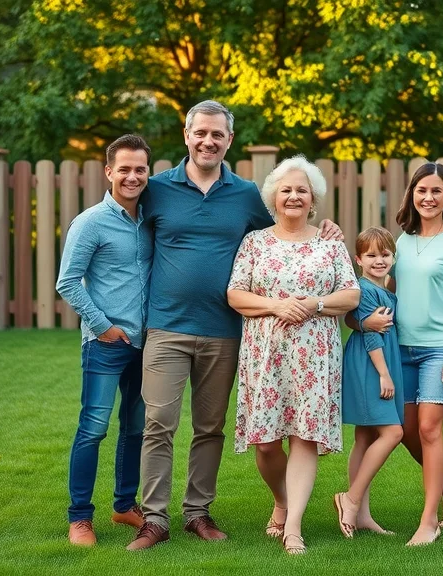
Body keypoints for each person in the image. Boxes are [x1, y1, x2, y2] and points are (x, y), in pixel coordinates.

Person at [126, 101, 343, 551]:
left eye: (217, 135)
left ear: (229, 140)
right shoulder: (157, 189)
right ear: (186, 135)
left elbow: (287, 231)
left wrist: (329, 230)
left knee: (210, 428)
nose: (208, 141)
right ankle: (154, 519)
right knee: (158, 423)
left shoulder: (245, 194)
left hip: (226, 331)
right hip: (166, 326)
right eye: (200, 133)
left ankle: (198, 513)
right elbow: (126, 234)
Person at [226, 155, 360, 555]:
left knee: (304, 436)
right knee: (266, 444)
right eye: (286, 189)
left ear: (313, 197)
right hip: (265, 353)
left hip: (315, 355)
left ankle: (294, 527)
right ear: (273, 197)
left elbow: (350, 295)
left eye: (302, 190)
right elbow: (235, 294)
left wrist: (315, 304)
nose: (294, 196)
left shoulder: (330, 244)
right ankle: (281, 501)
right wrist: (276, 305)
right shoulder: (255, 242)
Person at [358, 162, 443, 547]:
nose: (428, 197)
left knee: (428, 428)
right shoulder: (402, 241)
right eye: (422, 190)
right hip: (399, 347)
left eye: (437, 191)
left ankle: (429, 521)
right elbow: (383, 289)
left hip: (439, 349)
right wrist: (363, 320)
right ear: (411, 195)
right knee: (406, 431)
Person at [56, 134, 153, 547]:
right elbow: (67, 283)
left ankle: (124, 504)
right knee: (93, 428)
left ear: (148, 172)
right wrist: (104, 326)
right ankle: (80, 517)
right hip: (105, 344)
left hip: (147, 343)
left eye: (140, 169)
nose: (132, 177)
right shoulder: (90, 221)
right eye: (125, 169)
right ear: (109, 171)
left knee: (135, 429)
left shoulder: (152, 219)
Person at [333, 227, 404, 539]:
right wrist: (384, 373)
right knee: (393, 432)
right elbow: (372, 335)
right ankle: (350, 498)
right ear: (359, 259)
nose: (379, 260)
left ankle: (361, 516)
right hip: (371, 363)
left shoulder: (385, 289)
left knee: (364, 436)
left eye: (385, 254)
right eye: (372, 255)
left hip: (379, 360)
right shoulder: (364, 289)